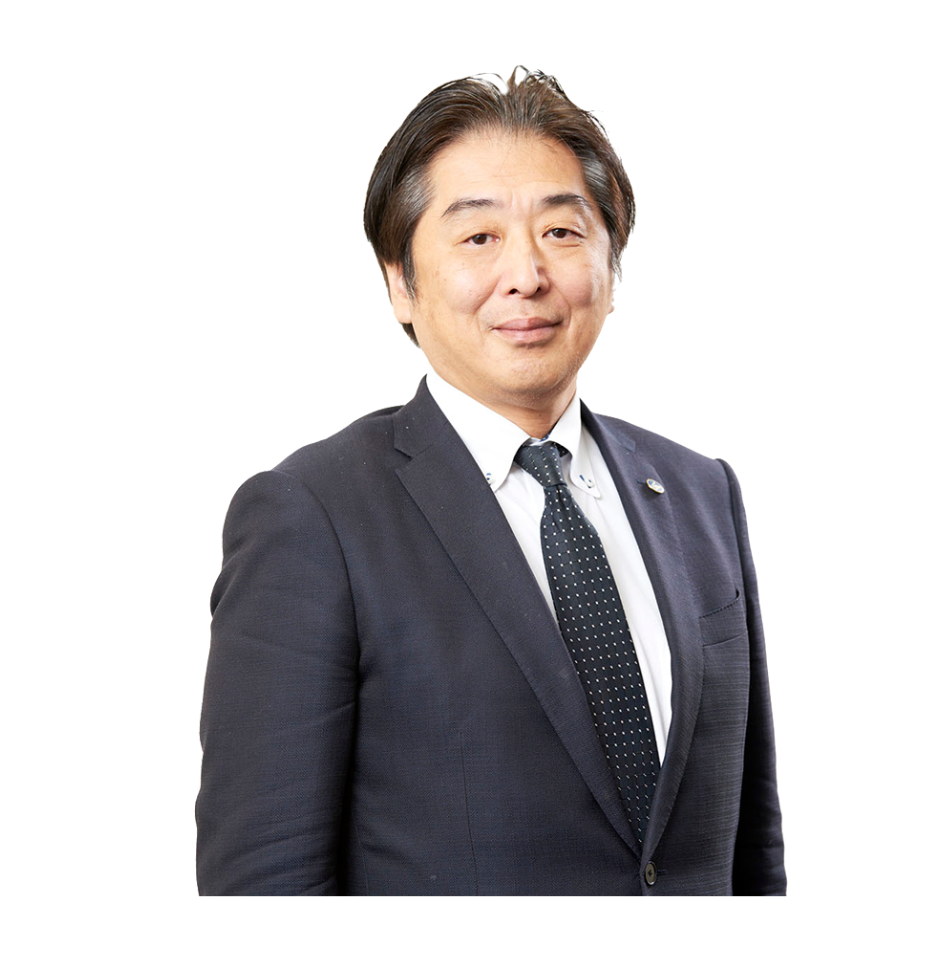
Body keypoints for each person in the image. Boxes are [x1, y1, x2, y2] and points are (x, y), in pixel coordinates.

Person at [196, 68, 786, 896]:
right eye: (478, 238)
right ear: (400, 283)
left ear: (611, 268)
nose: (527, 275)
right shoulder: (314, 518)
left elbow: (752, 856)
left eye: (561, 231)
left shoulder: (699, 495)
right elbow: (264, 889)